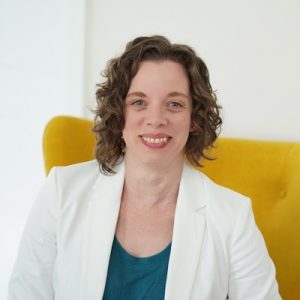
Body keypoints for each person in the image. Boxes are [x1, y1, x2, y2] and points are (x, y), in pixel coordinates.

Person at [8, 35, 281, 300]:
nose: (156, 119)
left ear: (194, 119)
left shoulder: (233, 218)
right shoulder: (61, 192)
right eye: (139, 102)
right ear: (119, 114)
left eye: (174, 104)